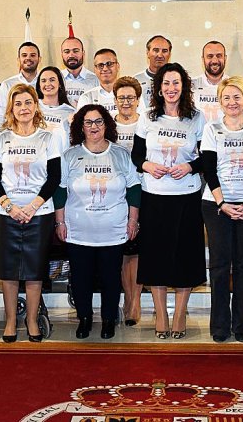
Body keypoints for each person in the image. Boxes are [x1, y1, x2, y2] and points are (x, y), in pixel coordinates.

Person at [54, 105, 141, 340]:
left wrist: (133, 220)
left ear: (107, 125)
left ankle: (109, 319)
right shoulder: (70, 156)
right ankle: (84, 318)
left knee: (111, 278)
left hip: (112, 230)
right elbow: (60, 191)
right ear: (80, 126)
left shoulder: (120, 154)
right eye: (89, 122)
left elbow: (134, 188)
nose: (94, 127)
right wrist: (59, 223)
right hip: (78, 230)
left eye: (99, 122)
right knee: (81, 277)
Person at [132, 62, 206, 339]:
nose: (171, 88)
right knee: (156, 258)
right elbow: (137, 156)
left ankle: (179, 315)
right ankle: (161, 314)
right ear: (158, 88)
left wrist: (189, 167)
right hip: (155, 197)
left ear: (184, 87)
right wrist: (148, 166)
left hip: (186, 197)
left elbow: (206, 157)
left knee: (185, 258)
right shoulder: (147, 117)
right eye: (166, 83)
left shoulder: (196, 118)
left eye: (176, 83)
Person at [0, 84, 62, 342]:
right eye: (18, 103)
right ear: (11, 108)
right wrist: (11, 207)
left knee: (34, 270)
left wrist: (32, 207)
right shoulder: (2, 138)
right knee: (8, 271)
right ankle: (10, 321)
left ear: (35, 107)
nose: (23, 108)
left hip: (39, 213)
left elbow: (54, 178)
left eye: (28, 103)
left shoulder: (47, 138)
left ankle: (31, 320)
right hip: (5, 212)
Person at [199, 76, 243, 343]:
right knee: (218, 266)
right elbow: (209, 170)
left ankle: (242, 324)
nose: (232, 102)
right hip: (216, 205)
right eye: (226, 97)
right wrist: (223, 204)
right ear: (219, 101)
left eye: (237, 97)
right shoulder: (211, 129)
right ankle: (220, 326)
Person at [110, 75, 143, 324]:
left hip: (144, 191)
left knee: (137, 250)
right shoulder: (107, 126)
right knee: (122, 250)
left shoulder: (146, 125)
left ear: (138, 99)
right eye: (121, 97)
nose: (126, 102)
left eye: (130, 97)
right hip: (114, 195)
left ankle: (135, 303)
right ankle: (127, 299)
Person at [0, 42, 41, 122]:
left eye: (32, 55)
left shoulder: (45, 84)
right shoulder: (7, 85)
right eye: (24, 55)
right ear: (18, 59)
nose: (28, 58)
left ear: (39, 59)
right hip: (13, 132)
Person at [191, 40, 228, 124]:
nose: (215, 61)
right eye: (210, 56)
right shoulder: (190, 85)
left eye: (219, 56)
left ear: (225, 58)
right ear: (203, 59)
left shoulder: (235, 85)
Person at [37, 65, 76, 142]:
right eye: (43, 81)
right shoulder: (32, 107)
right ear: (39, 85)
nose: (47, 84)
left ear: (60, 84)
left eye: (52, 80)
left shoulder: (71, 112)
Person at [77, 48, 121, 115]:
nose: (105, 69)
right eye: (100, 65)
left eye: (109, 64)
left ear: (118, 66)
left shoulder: (131, 95)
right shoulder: (87, 98)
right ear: (95, 69)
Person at [134, 35, 172, 109]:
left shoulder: (178, 80)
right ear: (148, 53)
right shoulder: (136, 80)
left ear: (169, 54)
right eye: (156, 50)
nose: (160, 55)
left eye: (164, 51)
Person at [60, 37, 99, 102]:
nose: (71, 55)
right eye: (67, 52)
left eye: (76, 51)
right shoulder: (57, 79)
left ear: (83, 53)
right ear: (62, 55)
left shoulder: (95, 80)